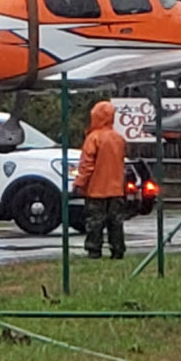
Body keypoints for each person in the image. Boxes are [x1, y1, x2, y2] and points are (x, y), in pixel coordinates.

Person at [71, 100, 129, 259]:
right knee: (116, 222)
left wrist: (79, 183)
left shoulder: (93, 138)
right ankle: (118, 250)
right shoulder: (119, 139)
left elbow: (87, 165)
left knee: (95, 222)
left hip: (96, 189)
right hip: (116, 189)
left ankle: (94, 250)